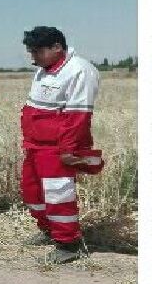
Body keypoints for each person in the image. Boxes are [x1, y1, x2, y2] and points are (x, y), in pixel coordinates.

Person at [20, 26, 102, 264]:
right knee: (32, 192)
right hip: (35, 145)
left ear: (57, 47)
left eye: (37, 51)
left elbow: (78, 117)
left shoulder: (80, 71)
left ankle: (69, 244)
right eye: (30, 51)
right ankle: (48, 230)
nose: (32, 57)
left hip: (57, 147)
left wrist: (67, 151)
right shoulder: (45, 69)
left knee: (58, 196)